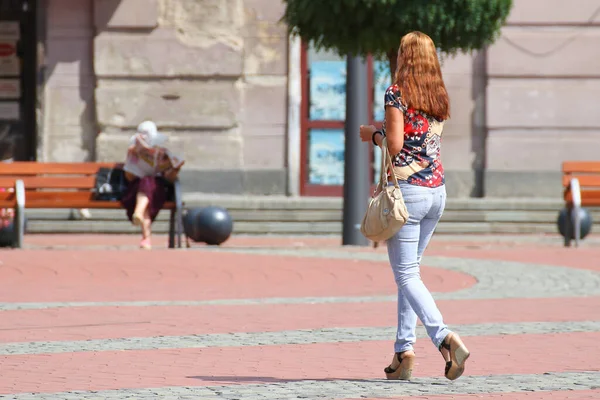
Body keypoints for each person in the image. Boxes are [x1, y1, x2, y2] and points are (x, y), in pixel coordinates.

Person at [360, 31, 470, 381]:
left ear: (403, 58)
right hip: (437, 192)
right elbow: (424, 142)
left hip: (407, 194)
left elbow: (394, 144)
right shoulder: (438, 95)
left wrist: (372, 135)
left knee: (406, 274)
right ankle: (403, 352)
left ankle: (445, 338)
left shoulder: (397, 93)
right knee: (410, 275)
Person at [121, 121, 184, 250]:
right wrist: (130, 160)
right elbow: (129, 177)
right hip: (135, 188)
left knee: (149, 182)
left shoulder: (162, 151)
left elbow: (169, 178)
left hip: (158, 189)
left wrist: (176, 168)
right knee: (145, 182)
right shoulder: (134, 149)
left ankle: (141, 220)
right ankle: (145, 236)